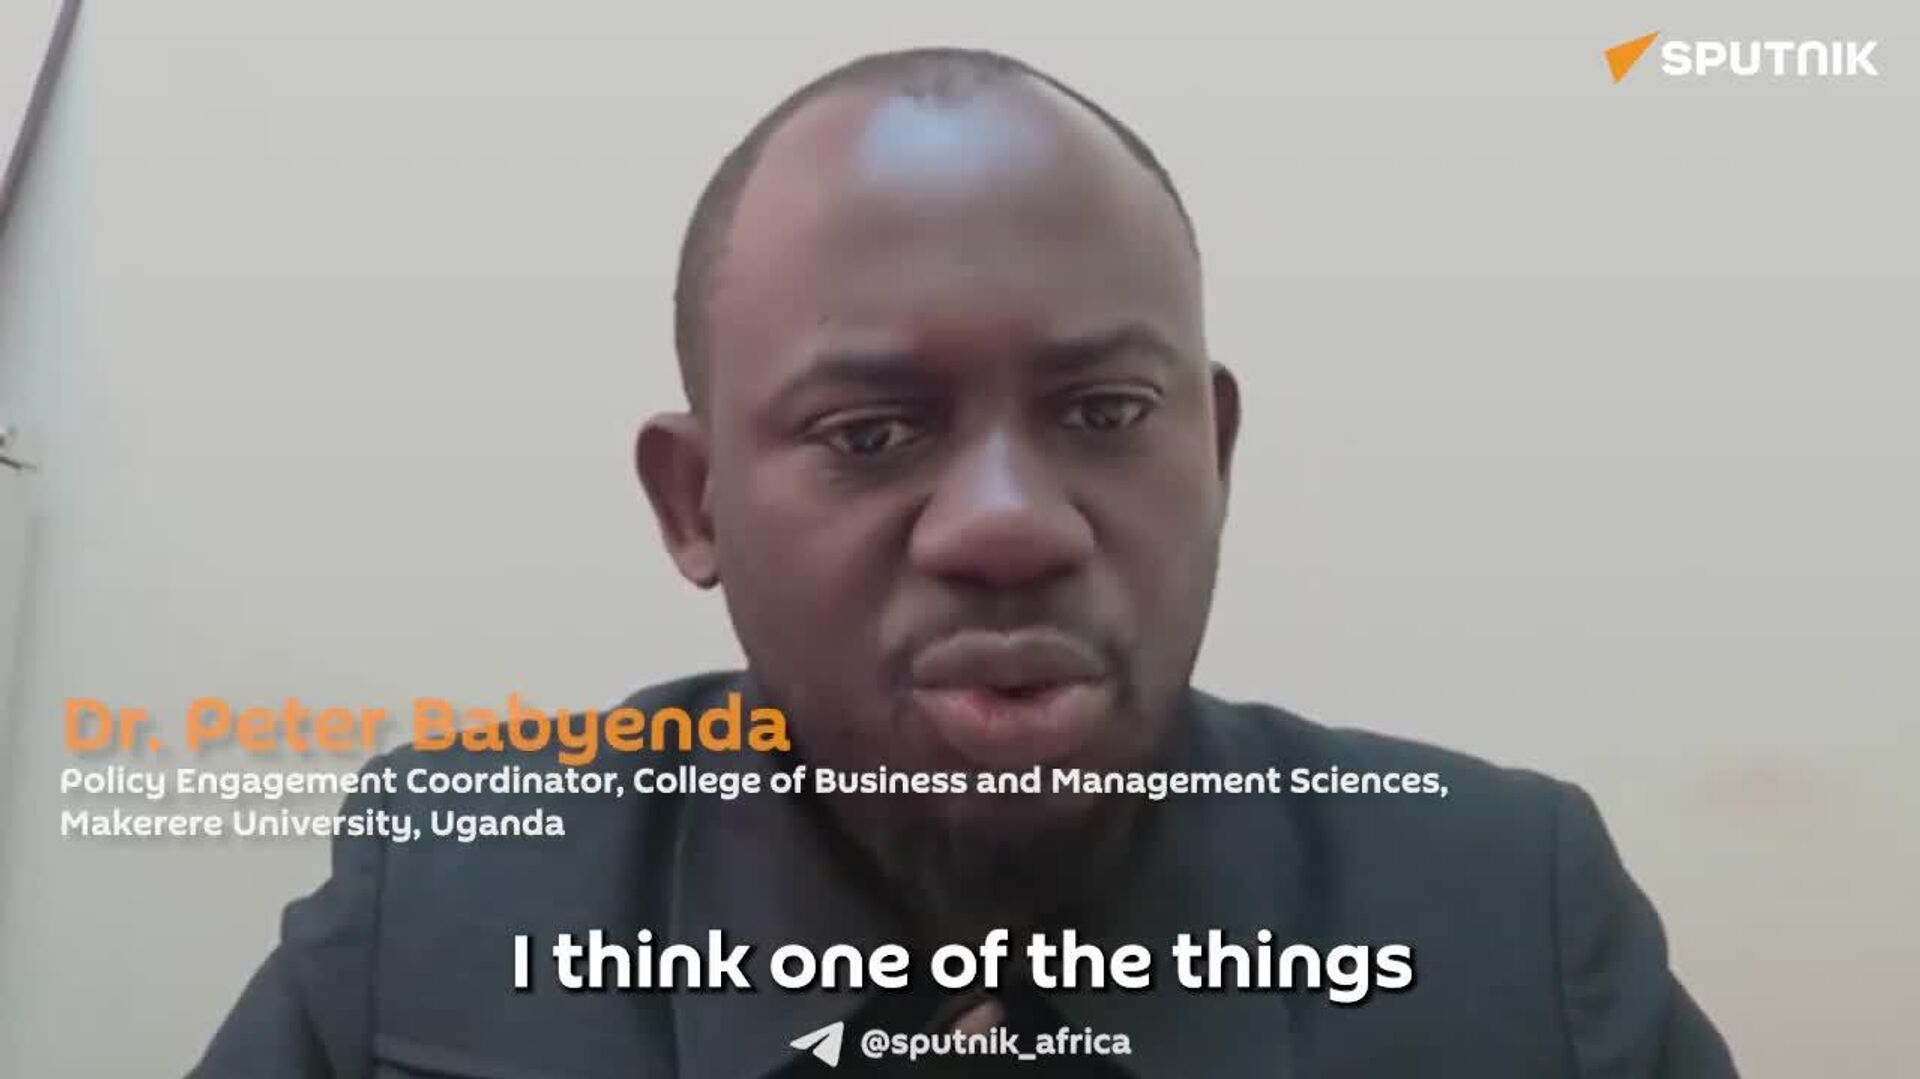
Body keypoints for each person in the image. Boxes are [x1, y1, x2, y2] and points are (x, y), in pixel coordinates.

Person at [192, 46, 1739, 1077]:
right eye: (870, 433)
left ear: (1215, 454)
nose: (1010, 527)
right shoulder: (446, 907)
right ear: (695, 504)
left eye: (1105, 413)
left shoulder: (1507, 921)